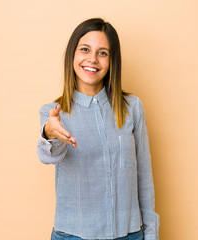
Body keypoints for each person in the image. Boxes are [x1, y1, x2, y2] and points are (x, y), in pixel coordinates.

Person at [37, 18, 159, 240]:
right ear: (72, 54)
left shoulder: (132, 107)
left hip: (129, 234)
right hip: (74, 235)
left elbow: (144, 177)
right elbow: (47, 155)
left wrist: (150, 234)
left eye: (102, 52)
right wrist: (49, 134)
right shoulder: (54, 112)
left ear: (112, 60)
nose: (92, 59)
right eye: (85, 49)